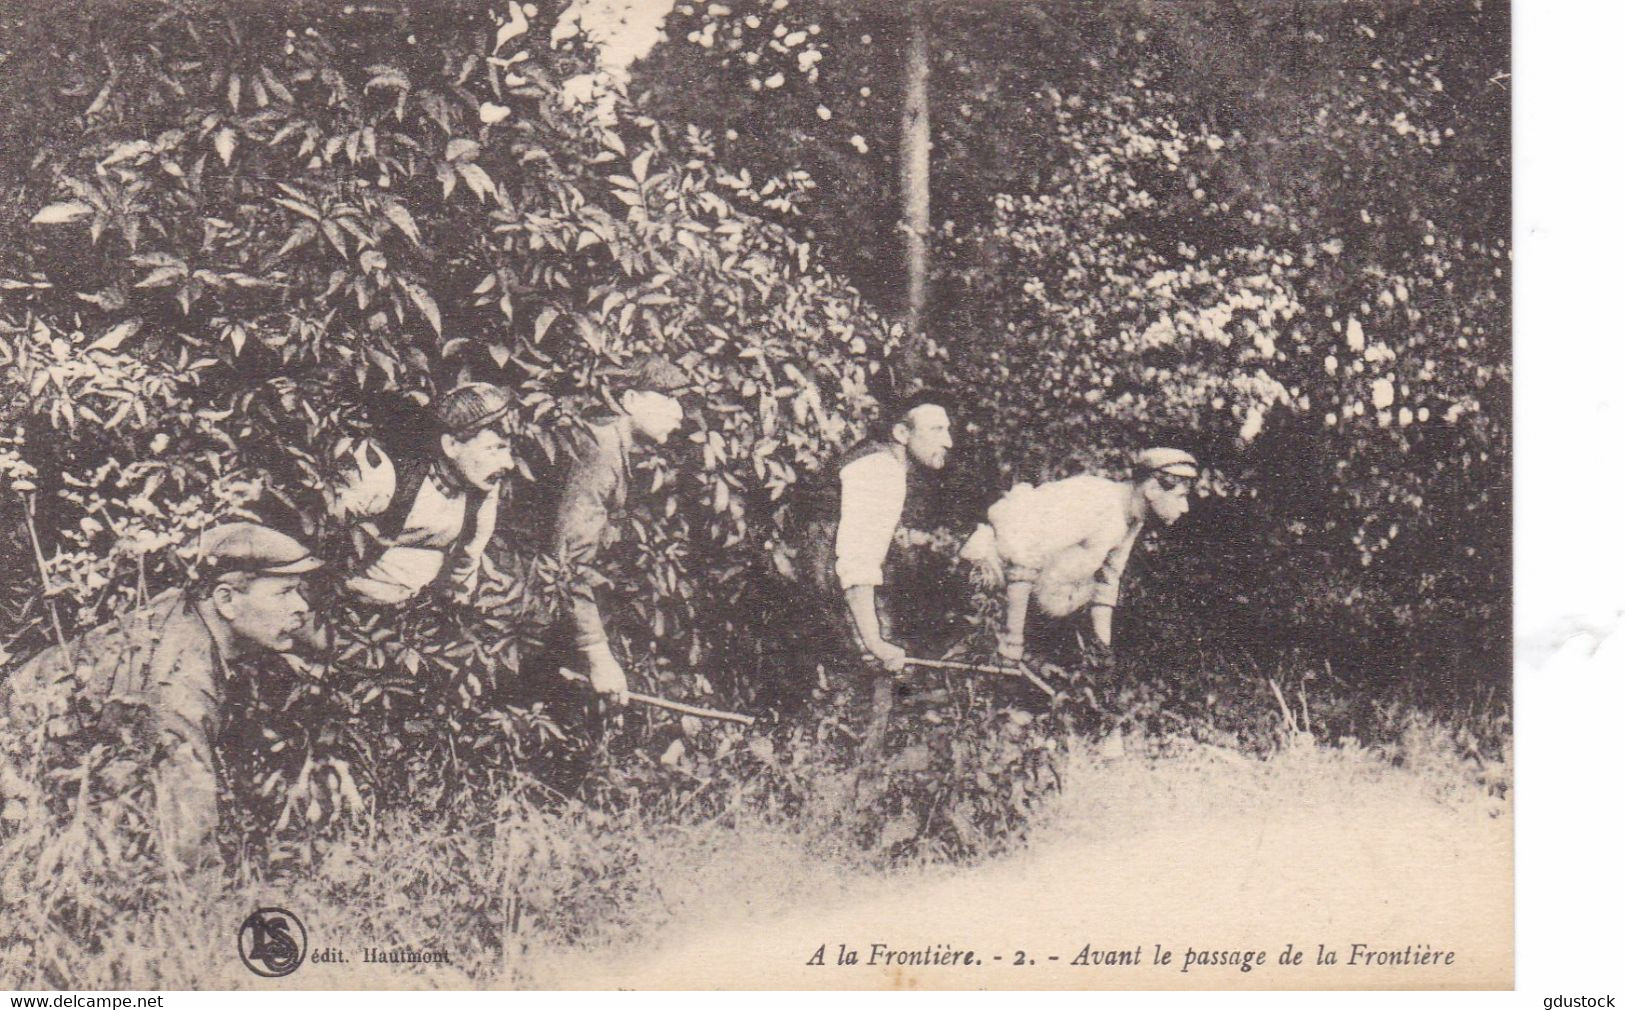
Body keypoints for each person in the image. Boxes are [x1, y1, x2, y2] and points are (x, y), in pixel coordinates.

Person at [0, 522, 321, 867]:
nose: (301, 607)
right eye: (285, 592)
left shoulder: (182, 611)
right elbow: (185, 839)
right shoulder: (179, 679)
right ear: (225, 599)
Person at [795, 389, 954, 747]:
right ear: (902, 433)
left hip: (823, 585)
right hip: (831, 591)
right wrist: (874, 641)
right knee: (864, 691)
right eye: (937, 430)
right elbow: (856, 561)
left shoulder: (881, 462)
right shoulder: (880, 470)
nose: (949, 441)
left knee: (862, 699)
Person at [961, 447, 1198, 669]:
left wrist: (1102, 652)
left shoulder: (1133, 517)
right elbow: (1024, 555)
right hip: (987, 579)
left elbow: (1106, 582)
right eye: (1180, 496)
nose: (1185, 507)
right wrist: (1012, 643)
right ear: (1153, 489)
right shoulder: (1098, 501)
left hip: (1028, 598)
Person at [552, 354, 691, 704]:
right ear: (630, 400)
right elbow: (568, 561)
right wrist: (599, 657)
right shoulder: (601, 448)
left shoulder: (611, 442)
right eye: (669, 398)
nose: (680, 414)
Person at [335, 382, 517, 607]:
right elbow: (326, 545)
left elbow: (466, 561)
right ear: (451, 445)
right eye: (494, 449)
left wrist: (453, 606)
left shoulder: (481, 490)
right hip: (356, 603)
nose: (508, 463)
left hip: (420, 611)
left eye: (509, 449)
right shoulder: (385, 479)